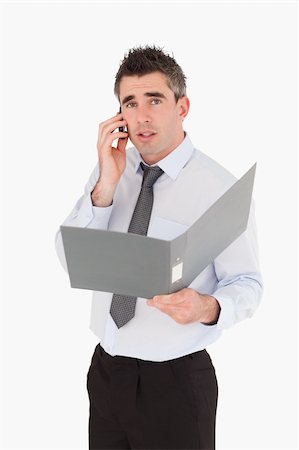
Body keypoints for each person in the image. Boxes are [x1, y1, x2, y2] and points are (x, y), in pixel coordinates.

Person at [55, 45, 263, 450]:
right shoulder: (110, 171)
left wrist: (206, 307)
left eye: (155, 100)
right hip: (107, 373)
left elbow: (248, 283)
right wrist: (105, 190)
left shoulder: (219, 189)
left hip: (177, 383)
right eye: (130, 103)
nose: (142, 116)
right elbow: (70, 259)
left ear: (182, 106)